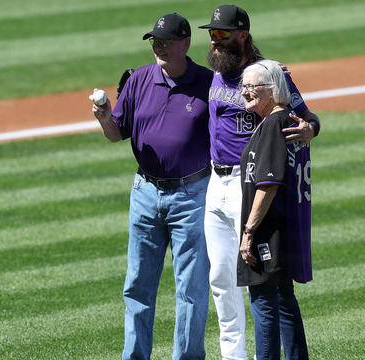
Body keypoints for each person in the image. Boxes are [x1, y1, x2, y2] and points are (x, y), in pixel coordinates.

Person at [198, 5, 320, 360]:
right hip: (215, 182)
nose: (215, 42)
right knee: (221, 280)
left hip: (250, 182)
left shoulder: (267, 75)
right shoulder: (217, 71)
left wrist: (310, 128)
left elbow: (306, 115)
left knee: (263, 284)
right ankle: (233, 356)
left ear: (242, 35)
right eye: (212, 35)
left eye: (222, 34)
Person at [92, 13, 212, 360]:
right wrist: (104, 117)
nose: (158, 46)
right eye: (154, 40)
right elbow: (117, 132)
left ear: (186, 43)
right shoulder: (139, 80)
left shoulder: (207, 84)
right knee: (138, 286)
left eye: (165, 41)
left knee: (191, 289)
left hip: (191, 196)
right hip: (145, 193)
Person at [238, 59, 312, 359]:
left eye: (252, 87)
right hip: (279, 229)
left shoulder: (273, 125)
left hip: (267, 231)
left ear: (272, 90)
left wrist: (248, 232)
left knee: (265, 305)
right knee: (282, 300)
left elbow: (268, 184)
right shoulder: (281, 121)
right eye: (243, 87)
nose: (245, 93)